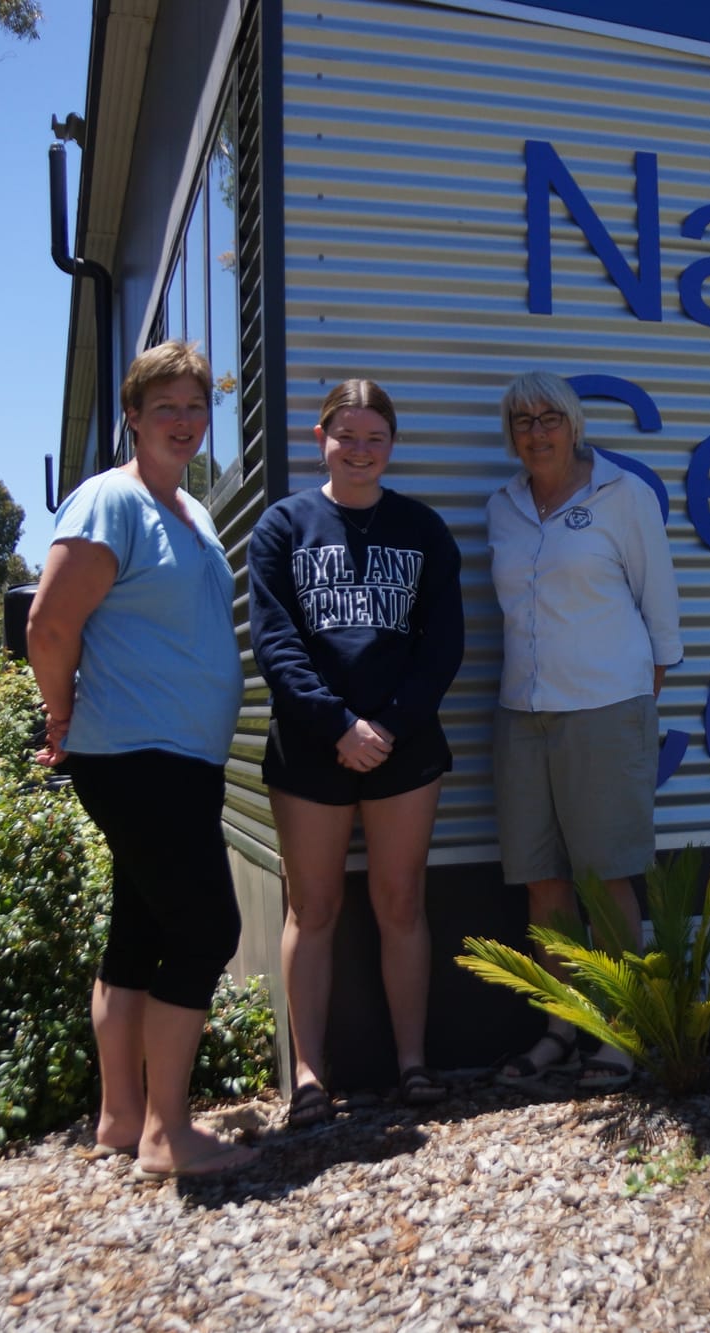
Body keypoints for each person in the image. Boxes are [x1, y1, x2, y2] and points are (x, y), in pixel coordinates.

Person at [27, 340, 254, 1180]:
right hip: (134, 751)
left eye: (196, 407)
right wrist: (59, 712)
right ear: (133, 415)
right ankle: (168, 1134)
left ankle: (122, 1118)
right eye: (167, 407)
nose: (185, 422)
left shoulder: (189, 512)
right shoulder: (108, 501)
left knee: (142, 929)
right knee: (207, 927)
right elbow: (49, 625)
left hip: (179, 756)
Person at [249, 379, 464, 1125]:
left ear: (392, 445)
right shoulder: (284, 526)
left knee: (400, 901)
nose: (361, 450)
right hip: (311, 747)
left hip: (404, 746)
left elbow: (442, 646)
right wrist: (336, 723)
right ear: (321, 438)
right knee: (314, 907)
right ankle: (310, 1074)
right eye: (347, 435)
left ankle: (413, 1063)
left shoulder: (424, 530)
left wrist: (390, 726)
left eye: (376, 437)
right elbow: (274, 641)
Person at [486, 370, 682, 1094]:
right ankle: (561, 1028)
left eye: (548, 418)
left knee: (606, 875)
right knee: (543, 879)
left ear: (573, 423)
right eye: (522, 421)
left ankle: (622, 1028)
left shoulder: (622, 496)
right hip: (521, 713)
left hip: (604, 709)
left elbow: (659, 607)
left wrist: (635, 685)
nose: (536, 432)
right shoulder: (501, 507)